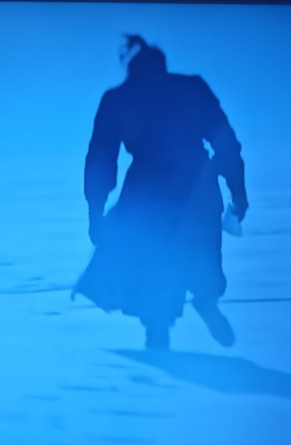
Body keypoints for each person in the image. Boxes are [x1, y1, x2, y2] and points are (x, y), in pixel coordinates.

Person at [72, 35, 248, 350]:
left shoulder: (120, 98)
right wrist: (237, 190)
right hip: (192, 186)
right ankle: (194, 305)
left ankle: (162, 328)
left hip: (150, 191)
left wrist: (95, 211)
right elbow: (225, 142)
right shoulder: (190, 88)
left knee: (156, 259)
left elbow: (100, 158)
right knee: (192, 257)